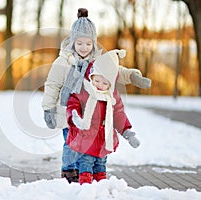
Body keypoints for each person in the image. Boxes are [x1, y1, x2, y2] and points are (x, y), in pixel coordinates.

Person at [42, 8, 150, 183]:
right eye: (79, 43)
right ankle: (68, 171)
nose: (84, 48)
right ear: (72, 42)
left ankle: (82, 170)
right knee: (71, 144)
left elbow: (113, 71)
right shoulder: (63, 61)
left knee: (84, 144)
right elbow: (52, 86)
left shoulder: (97, 61)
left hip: (90, 113)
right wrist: (48, 109)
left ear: (93, 43)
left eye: (88, 44)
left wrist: (131, 76)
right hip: (69, 111)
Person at [66, 49, 140, 185]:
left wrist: (127, 132)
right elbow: (72, 103)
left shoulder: (112, 97)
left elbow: (119, 114)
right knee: (86, 164)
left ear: (111, 84)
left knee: (100, 166)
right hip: (86, 138)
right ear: (91, 76)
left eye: (105, 83)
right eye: (97, 80)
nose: (100, 86)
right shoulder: (84, 91)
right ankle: (86, 189)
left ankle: (101, 188)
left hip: (103, 141)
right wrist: (74, 116)